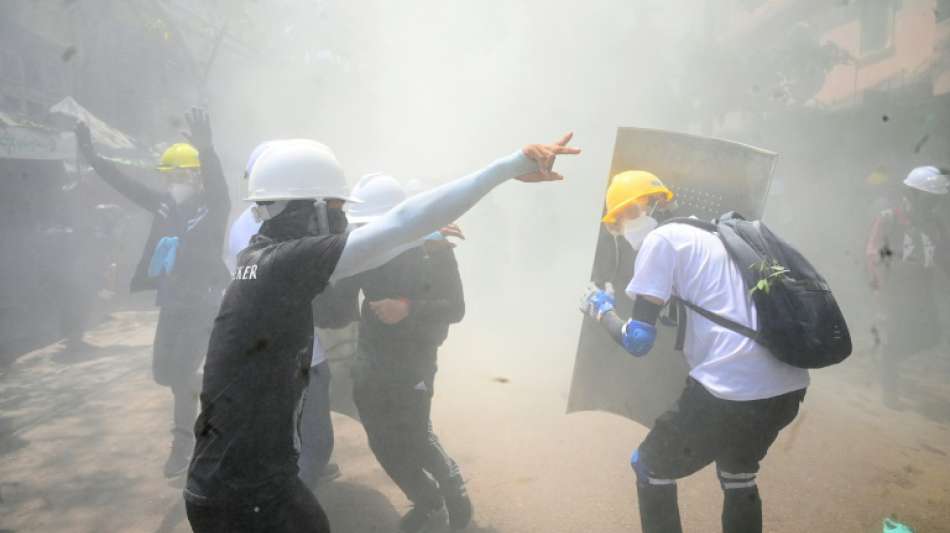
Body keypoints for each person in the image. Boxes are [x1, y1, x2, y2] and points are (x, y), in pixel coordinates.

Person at [184, 134, 580, 533]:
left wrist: (422, 244)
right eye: (338, 209)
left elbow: (386, 251)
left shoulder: (262, 256)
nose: (342, 221)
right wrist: (508, 167)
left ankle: (447, 500)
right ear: (316, 210)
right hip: (241, 492)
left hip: (246, 478)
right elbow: (398, 224)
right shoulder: (285, 263)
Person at [581, 170, 808, 533]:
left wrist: (601, 311)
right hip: (786, 385)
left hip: (731, 386)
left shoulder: (660, 241)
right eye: (618, 221)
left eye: (628, 214)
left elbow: (638, 340)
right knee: (738, 473)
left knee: (649, 466)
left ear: (653, 206)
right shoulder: (712, 234)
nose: (625, 226)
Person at [74, 109, 231, 478]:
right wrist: (92, 157)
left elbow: (220, 189)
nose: (175, 182)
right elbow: (124, 184)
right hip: (172, 302)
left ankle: (184, 445)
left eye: (182, 175)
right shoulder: (164, 205)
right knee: (164, 373)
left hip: (204, 302)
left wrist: (207, 152)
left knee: (181, 373)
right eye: (170, 175)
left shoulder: (212, 207)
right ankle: (201, 388)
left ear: (198, 177)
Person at [333, 173, 470, 532]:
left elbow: (455, 307)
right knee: (381, 440)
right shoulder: (362, 248)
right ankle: (427, 501)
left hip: (415, 357)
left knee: (415, 435)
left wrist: (406, 307)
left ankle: (453, 492)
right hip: (371, 357)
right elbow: (338, 302)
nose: (369, 232)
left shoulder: (433, 248)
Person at [225, 141, 346, 489]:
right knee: (312, 446)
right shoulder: (283, 239)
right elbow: (326, 302)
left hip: (263, 354)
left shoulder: (245, 227)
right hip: (296, 358)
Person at [866, 165, 950, 408]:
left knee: (931, 334)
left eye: (935, 200)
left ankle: (887, 358)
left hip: (922, 289)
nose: (932, 204)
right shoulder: (889, 218)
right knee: (892, 337)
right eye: (928, 198)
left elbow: (943, 256)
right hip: (894, 289)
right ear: (912, 194)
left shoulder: (935, 224)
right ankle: (889, 393)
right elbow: (873, 252)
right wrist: (881, 288)